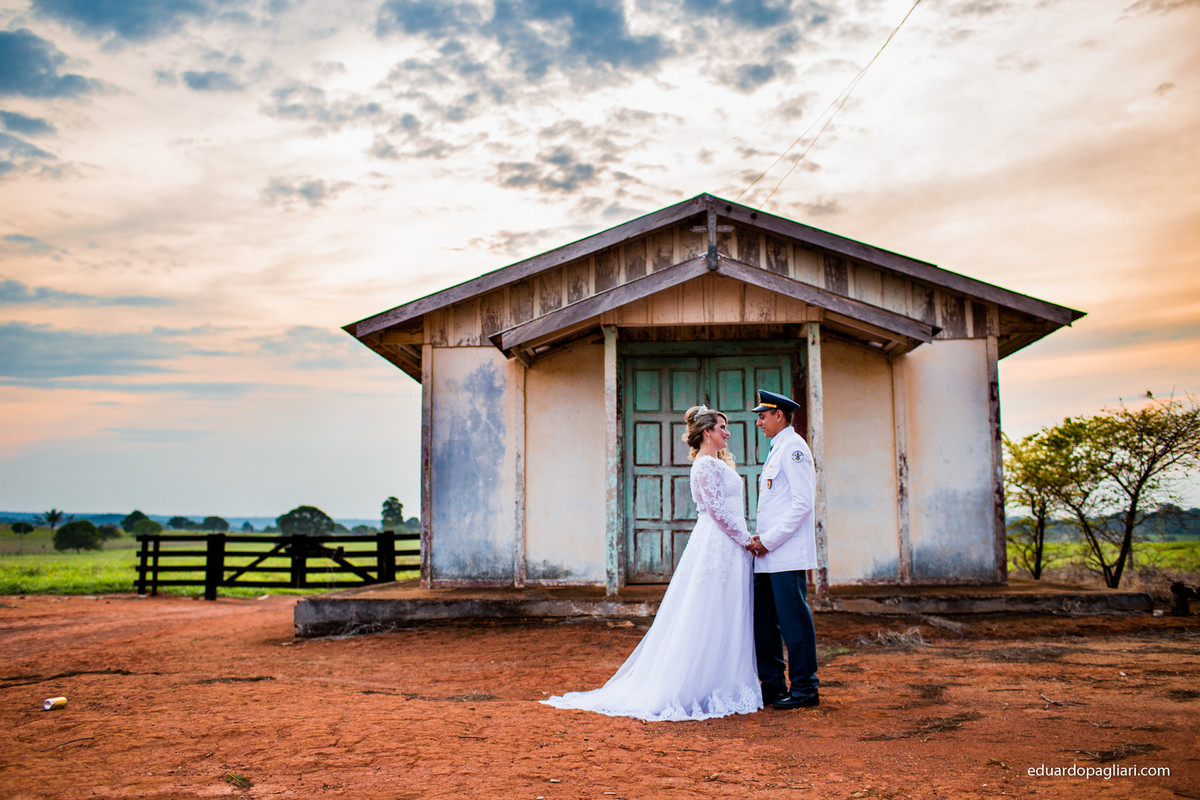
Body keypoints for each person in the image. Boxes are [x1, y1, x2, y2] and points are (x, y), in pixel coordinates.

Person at [541, 405, 762, 721]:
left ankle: (728, 679)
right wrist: (747, 540)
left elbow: (730, 511)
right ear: (706, 433)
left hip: (731, 545)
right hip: (718, 543)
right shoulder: (704, 467)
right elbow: (719, 513)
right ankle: (698, 685)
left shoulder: (717, 462)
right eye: (722, 427)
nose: (727, 433)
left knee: (729, 609)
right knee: (710, 610)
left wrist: (744, 539)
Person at [747, 389, 820, 709]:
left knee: (794, 623)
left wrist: (768, 540)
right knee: (764, 623)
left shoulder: (794, 448)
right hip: (768, 555)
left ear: (780, 415)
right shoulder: (778, 448)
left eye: (762, 416)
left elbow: (803, 503)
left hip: (785, 554)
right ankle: (773, 685)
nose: (759, 422)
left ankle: (805, 688)